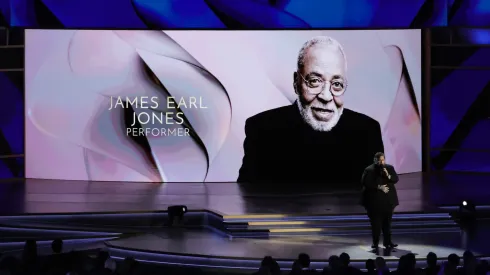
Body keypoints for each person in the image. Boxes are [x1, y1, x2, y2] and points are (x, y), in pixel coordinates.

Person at [237, 36, 384, 185]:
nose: (326, 96)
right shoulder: (262, 130)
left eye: (337, 84)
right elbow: (247, 198)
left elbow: (379, 195)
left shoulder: (367, 132)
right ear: (296, 82)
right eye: (314, 81)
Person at [361, 152, 399, 249]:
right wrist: (379, 187)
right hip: (374, 203)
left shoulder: (389, 168)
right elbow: (365, 183)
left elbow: (395, 179)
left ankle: (388, 242)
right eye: (378, 160)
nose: (380, 162)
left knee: (387, 224)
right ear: (374, 160)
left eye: (382, 160)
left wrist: (388, 175)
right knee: (376, 224)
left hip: (388, 202)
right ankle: (375, 243)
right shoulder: (369, 170)